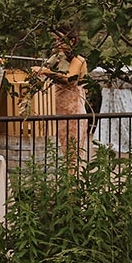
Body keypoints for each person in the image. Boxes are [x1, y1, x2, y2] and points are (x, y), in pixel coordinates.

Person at [35, 26, 89, 167]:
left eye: (60, 40)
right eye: (55, 40)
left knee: (71, 152)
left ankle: (71, 185)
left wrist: (47, 72)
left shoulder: (78, 60)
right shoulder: (57, 58)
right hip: (56, 110)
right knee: (55, 151)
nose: (57, 43)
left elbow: (68, 78)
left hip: (72, 112)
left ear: (71, 41)